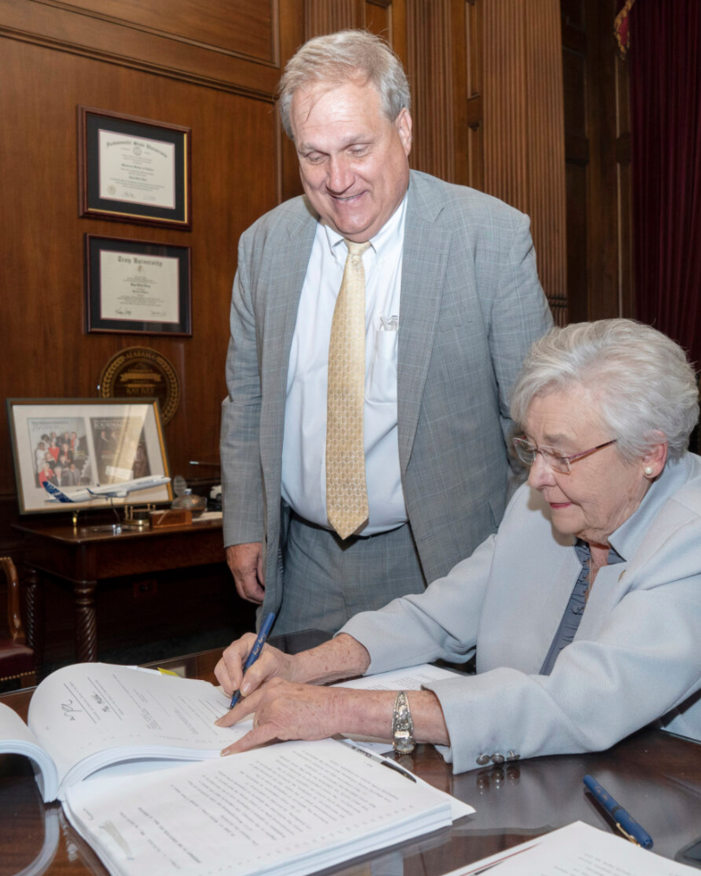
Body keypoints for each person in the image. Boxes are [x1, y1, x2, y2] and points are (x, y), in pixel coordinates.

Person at [215, 320, 701, 771]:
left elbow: (577, 703)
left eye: (561, 454)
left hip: (696, 816)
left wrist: (342, 710)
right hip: (545, 782)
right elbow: (434, 617)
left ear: (650, 454)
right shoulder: (547, 508)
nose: (537, 477)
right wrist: (301, 665)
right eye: (531, 448)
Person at [220, 29, 552, 635]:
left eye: (356, 148)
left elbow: (532, 423)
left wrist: (514, 556)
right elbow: (248, 403)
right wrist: (244, 525)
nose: (337, 179)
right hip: (304, 566)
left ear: (403, 131)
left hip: (443, 561)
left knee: (423, 728)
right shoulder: (263, 247)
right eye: (314, 156)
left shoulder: (491, 240)